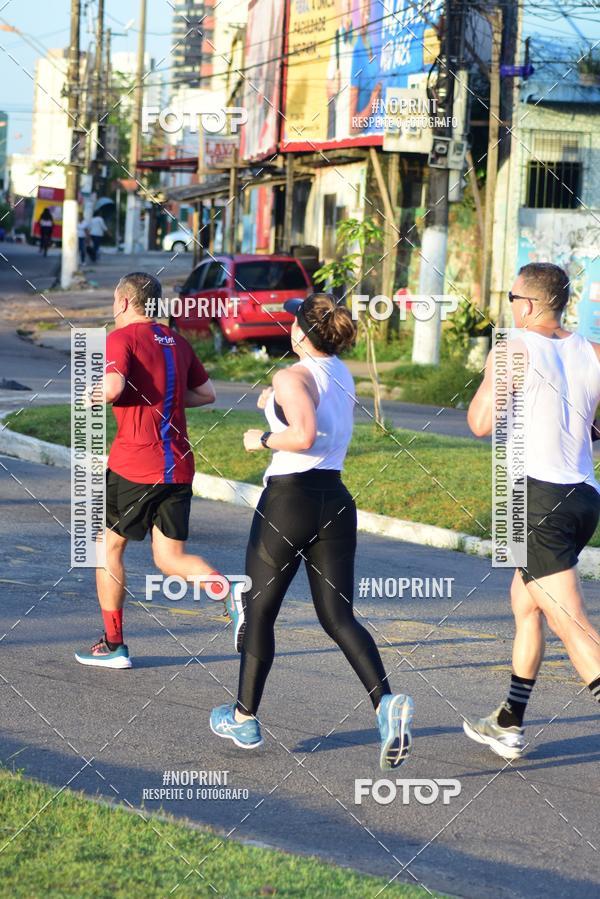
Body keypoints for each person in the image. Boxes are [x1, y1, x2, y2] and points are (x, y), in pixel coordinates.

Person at [210, 293, 414, 770]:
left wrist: (258, 437)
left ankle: (244, 716)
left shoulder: (291, 375)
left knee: (259, 611)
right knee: (338, 617)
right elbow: (311, 412)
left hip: (288, 501)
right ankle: (385, 704)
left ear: (301, 332)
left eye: (293, 324)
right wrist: (271, 402)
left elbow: (301, 435)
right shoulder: (339, 372)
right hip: (335, 502)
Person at [464, 262, 600, 759]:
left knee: (573, 625)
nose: (511, 307)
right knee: (526, 602)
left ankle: (510, 722)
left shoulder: (514, 349)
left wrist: (494, 377)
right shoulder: (592, 352)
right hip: (583, 497)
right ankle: (509, 721)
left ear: (528, 303)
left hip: (536, 500)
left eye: (511, 298)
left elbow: (479, 421)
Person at [75, 272, 228, 669]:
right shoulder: (176, 341)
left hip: (135, 466)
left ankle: (114, 645)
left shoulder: (121, 338)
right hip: (178, 466)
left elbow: (112, 386)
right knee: (170, 558)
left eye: (114, 300)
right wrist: (166, 402)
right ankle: (230, 594)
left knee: (106, 547)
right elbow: (207, 394)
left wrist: (94, 395)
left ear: (124, 302)